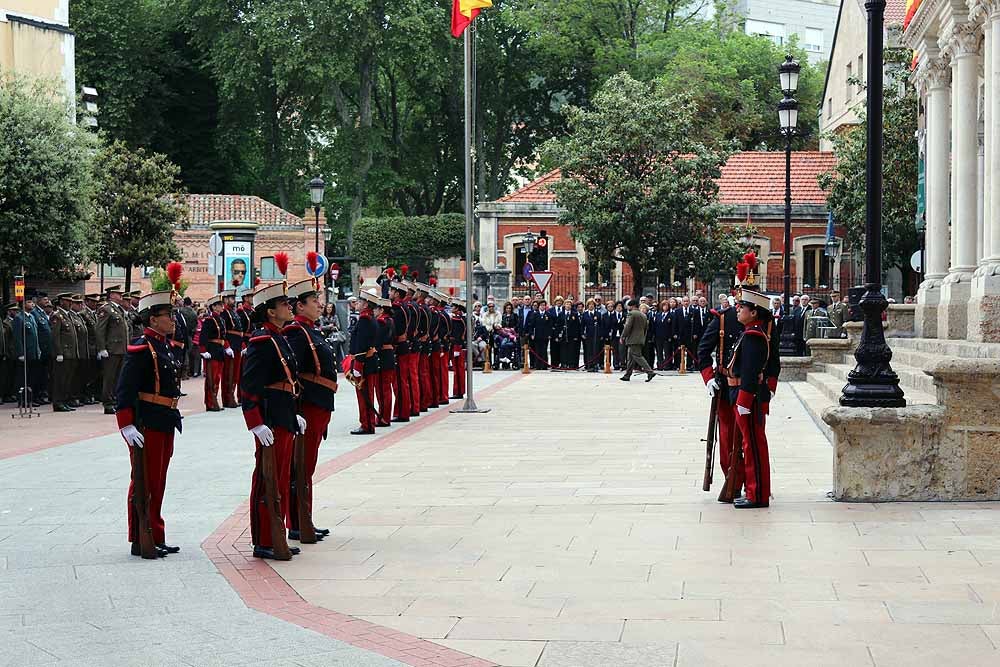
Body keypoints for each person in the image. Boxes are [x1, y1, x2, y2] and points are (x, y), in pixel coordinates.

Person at [115, 290, 184, 558]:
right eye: (168, 315)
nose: (173, 319)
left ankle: (155, 533)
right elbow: (125, 388)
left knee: (159, 481)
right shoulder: (142, 347)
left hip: (165, 419)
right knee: (145, 480)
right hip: (147, 422)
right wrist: (126, 424)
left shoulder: (163, 345)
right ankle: (139, 535)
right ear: (154, 320)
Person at [240, 281, 305, 560]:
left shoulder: (278, 338)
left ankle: (276, 534)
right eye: (283, 305)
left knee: (280, 479)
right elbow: (249, 386)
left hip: (283, 415)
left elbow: (287, 381)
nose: (288, 307)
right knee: (267, 479)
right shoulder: (261, 342)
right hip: (269, 417)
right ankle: (264, 539)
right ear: (270, 312)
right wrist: (254, 421)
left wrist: (294, 413)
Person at [282, 279, 337, 542]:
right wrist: (296, 409)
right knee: (300, 467)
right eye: (314, 301)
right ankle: (297, 521)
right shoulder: (296, 333)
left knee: (307, 467)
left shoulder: (311, 331)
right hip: (309, 405)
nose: (319, 304)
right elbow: (292, 373)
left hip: (320, 405)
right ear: (299, 306)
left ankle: (304, 518)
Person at [728, 287, 776, 509]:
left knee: (753, 446)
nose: (738, 310)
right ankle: (753, 492)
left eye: (742, 307)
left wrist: (744, 402)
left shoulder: (754, 336)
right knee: (750, 445)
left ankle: (756, 495)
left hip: (751, 399)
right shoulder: (749, 332)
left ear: (755, 312)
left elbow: (749, 370)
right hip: (749, 397)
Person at [698, 289, 744, 480]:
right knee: (727, 434)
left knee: (750, 435)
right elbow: (703, 350)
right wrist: (709, 378)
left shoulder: (763, 319)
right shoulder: (723, 318)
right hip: (726, 383)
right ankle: (731, 478)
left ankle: (751, 480)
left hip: (753, 385)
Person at [349, 289, 384, 434]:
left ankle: (367, 424)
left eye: (360, 301)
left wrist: (358, 363)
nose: (357, 303)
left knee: (365, 395)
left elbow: (362, 344)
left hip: (364, 363)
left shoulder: (365, 320)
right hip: (369, 361)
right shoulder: (369, 318)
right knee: (366, 394)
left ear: (365, 305)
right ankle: (367, 423)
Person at [97, 286, 133, 415]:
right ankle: (108, 403)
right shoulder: (105, 309)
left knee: (119, 377)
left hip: (122, 349)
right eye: (118, 294)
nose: (120, 296)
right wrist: (102, 348)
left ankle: (117, 400)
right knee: (109, 378)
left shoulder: (118, 309)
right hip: (112, 349)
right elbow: (100, 330)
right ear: (111, 295)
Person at [198, 295, 231, 411]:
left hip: (220, 350)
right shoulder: (209, 320)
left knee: (217, 378)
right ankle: (210, 402)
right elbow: (203, 336)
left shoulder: (221, 319)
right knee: (212, 378)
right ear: (214, 307)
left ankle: (215, 400)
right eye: (220, 305)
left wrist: (227, 347)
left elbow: (223, 336)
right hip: (212, 350)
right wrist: (203, 351)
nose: (222, 307)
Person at [48, 293, 79, 412]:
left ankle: (64, 401)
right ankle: (58, 402)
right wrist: (59, 352)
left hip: (71, 353)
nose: (70, 303)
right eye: (67, 301)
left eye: (71, 301)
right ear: (61, 302)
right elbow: (55, 336)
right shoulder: (57, 315)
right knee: (60, 379)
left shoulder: (68, 315)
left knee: (67, 379)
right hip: (63, 353)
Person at [13, 298, 43, 407]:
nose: (33, 304)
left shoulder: (32, 317)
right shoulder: (19, 318)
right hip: (25, 353)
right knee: (23, 378)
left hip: (33, 353)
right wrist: (20, 353)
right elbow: (17, 337)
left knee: (32, 378)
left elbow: (35, 336)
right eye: (30, 302)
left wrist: (38, 350)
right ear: (24, 304)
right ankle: (22, 400)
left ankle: (30, 399)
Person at [620, 299, 656, 382]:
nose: (628, 307)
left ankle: (650, 372)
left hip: (633, 339)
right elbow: (646, 328)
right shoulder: (643, 315)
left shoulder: (631, 314)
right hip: (640, 338)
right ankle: (627, 375)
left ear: (632, 306)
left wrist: (623, 336)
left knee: (637, 356)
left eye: (629, 306)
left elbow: (627, 326)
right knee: (630, 358)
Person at [450, 296, 468, 398]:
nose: (452, 308)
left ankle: (458, 391)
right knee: (459, 370)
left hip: (457, 347)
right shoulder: (462, 318)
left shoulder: (457, 319)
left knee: (458, 370)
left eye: (453, 306)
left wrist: (456, 348)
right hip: (460, 346)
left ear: (457, 308)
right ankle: (459, 391)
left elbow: (457, 335)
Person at [581, 299, 601, 372]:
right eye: (589, 304)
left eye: (592, 304)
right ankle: (589, 365)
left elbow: (601, 324)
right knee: (589, 350)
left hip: (596, 334)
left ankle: (595, 364)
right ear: (587, 306)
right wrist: (582, 333)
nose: (591, 306)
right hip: (588, 334)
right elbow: (582, 325)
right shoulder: (585, 314)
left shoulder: (598, 314)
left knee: (595, 350)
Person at [531, 299, 551, 369]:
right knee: (538, 350)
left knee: (544, 350)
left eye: (544, 305)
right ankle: (538, 365)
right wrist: (532, 334)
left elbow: (550, 325)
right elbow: (532, 325)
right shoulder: (535, 314)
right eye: (541, 305)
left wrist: (549, 334)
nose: (543, 307)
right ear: (539, 306)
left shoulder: (548, 314)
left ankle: (544, 365)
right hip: (537, 335)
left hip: (545, 336)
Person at [609, 301, 626, 370]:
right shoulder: (612, 315)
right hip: (614, 335)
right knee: (615, 350)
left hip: (622, 335)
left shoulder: (625, 315)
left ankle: (622, 364)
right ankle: (616, 364)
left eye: (620, 306)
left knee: (622, 350)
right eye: (617, 306)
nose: (619, 307)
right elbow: (611, 324)